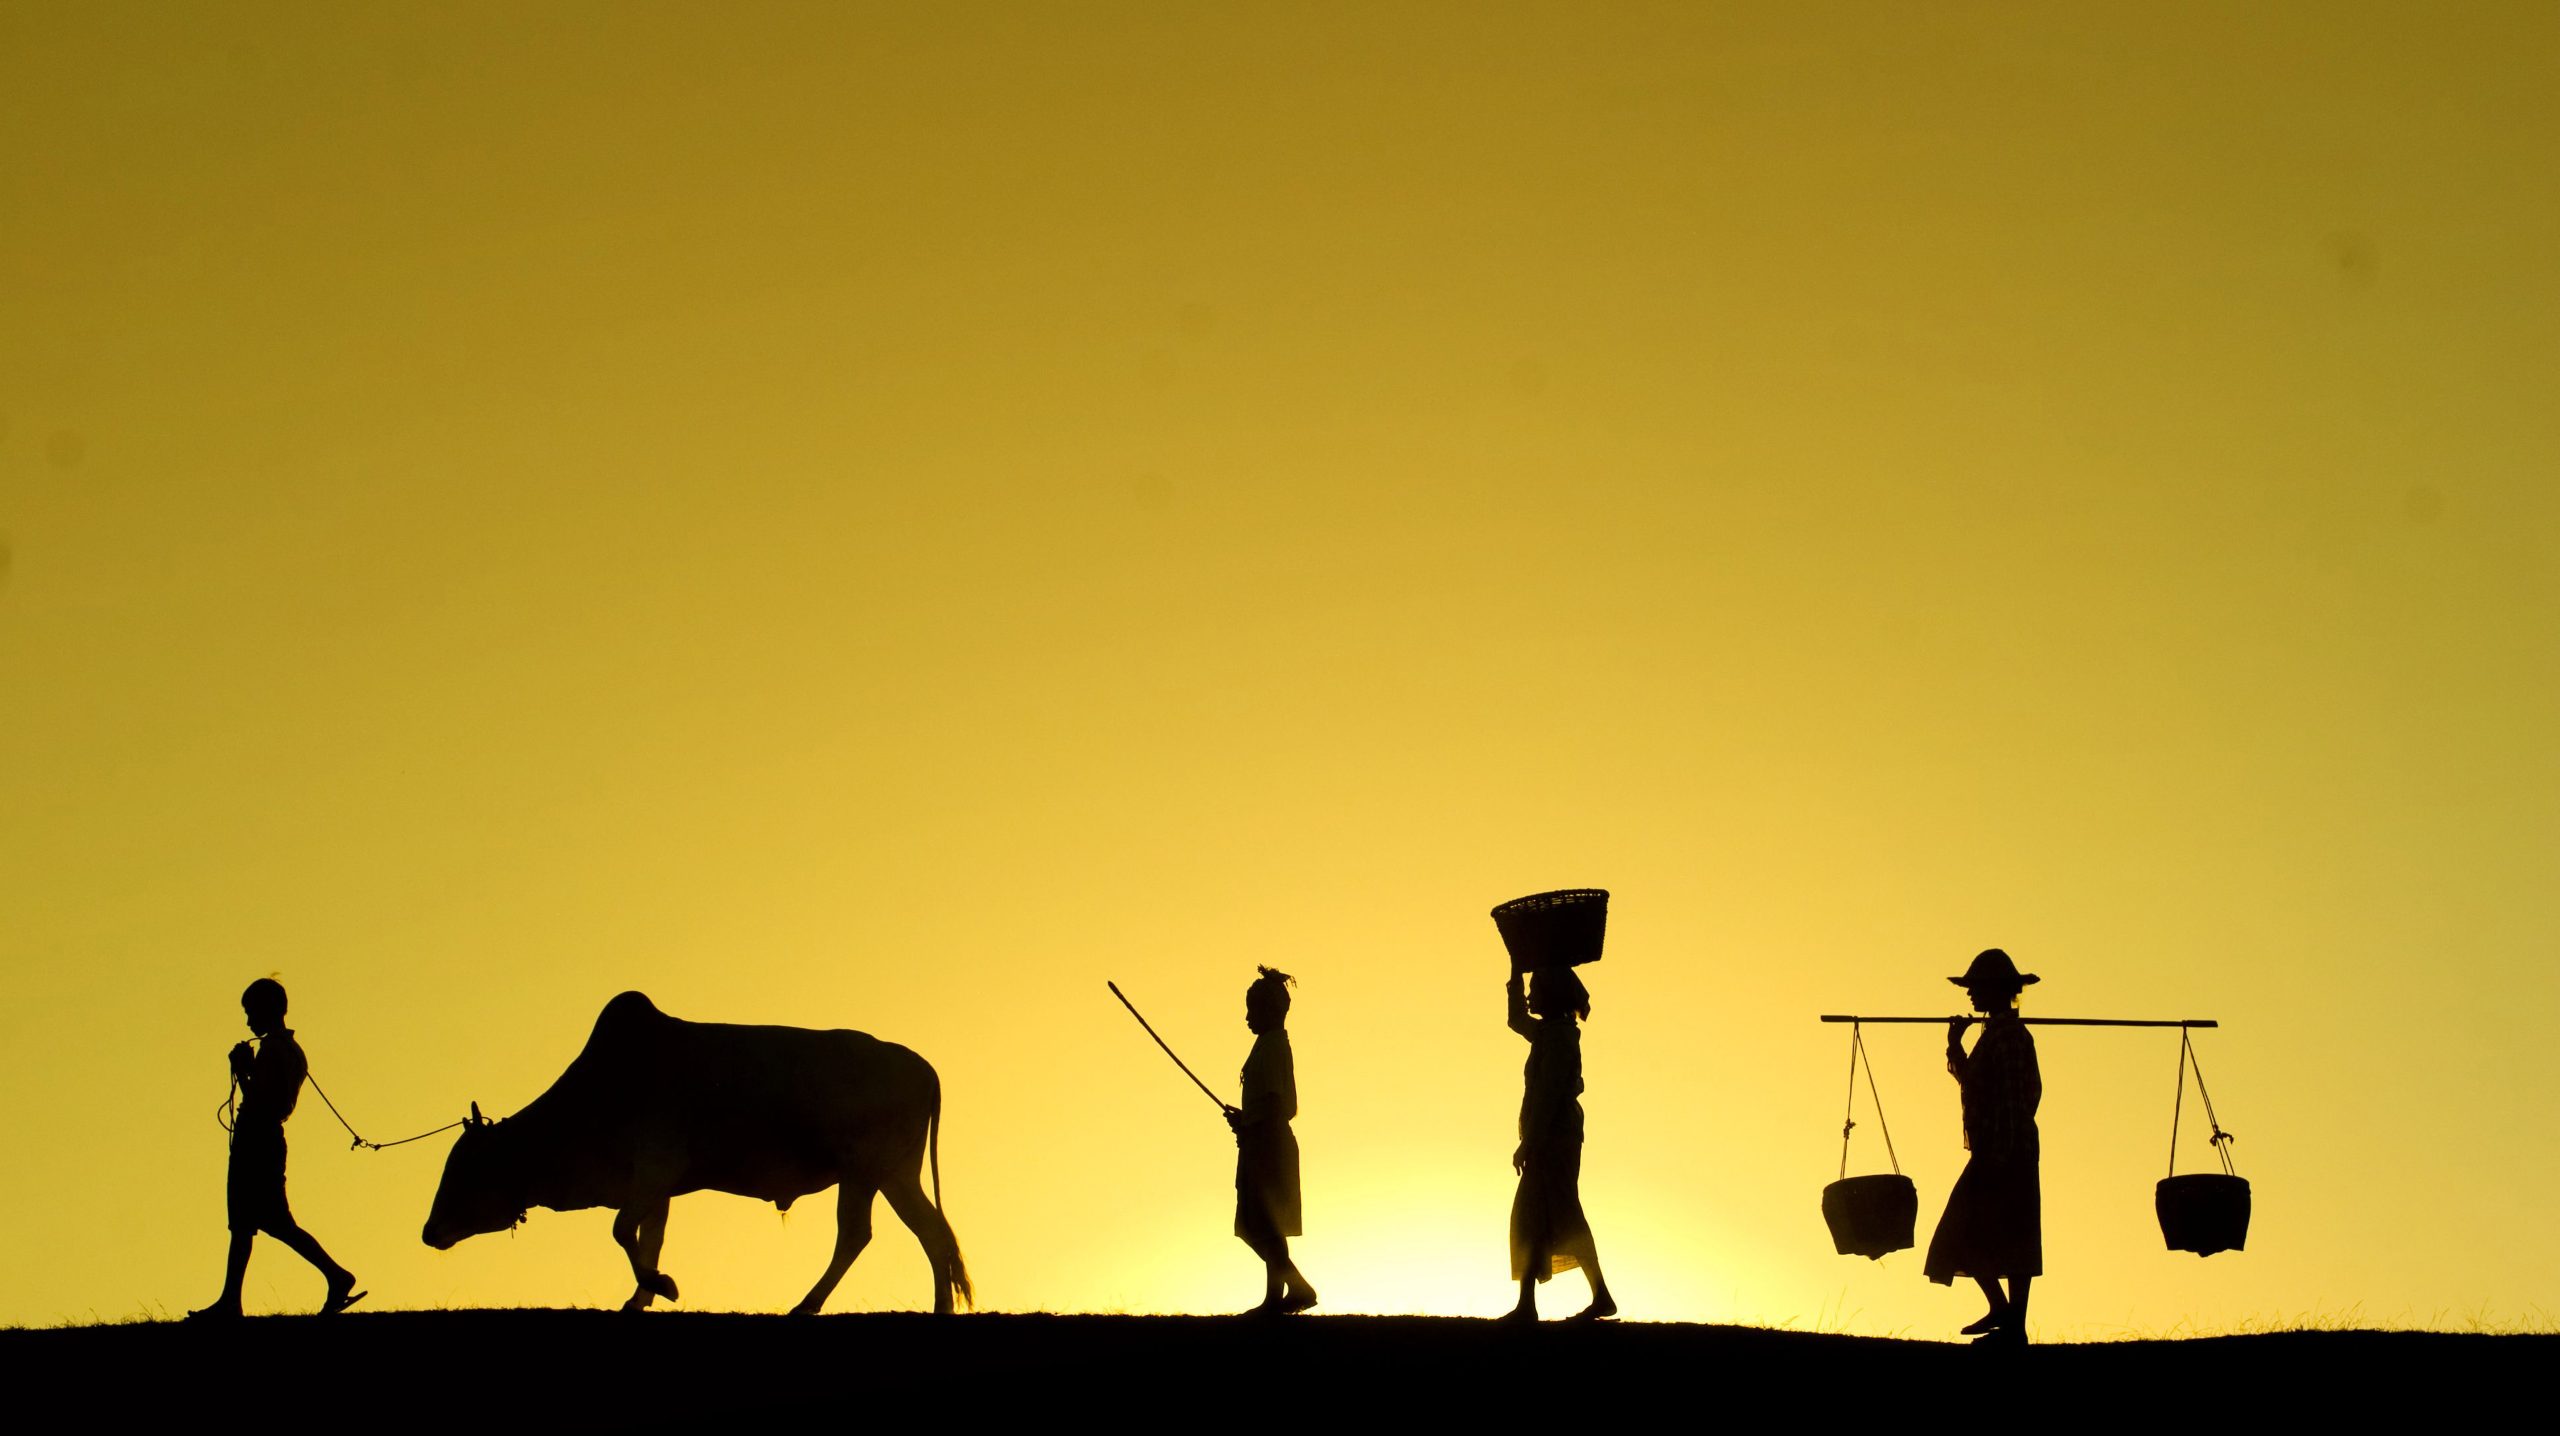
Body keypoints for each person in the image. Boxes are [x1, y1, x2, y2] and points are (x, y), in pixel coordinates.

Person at [190, 979, 363, 1319]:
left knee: (257, 1222)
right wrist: (250, 1070)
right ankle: (233, 1300)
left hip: (257, 1139)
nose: (248, 1021)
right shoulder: (290, 1050)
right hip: (265, 1139)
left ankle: (335, 1276)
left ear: (268, 1010)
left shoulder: (274, 1049)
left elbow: (262, 1100)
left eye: (251, 1012)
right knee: (254, 1222)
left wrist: (242, 1071)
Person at [1922, 948, 2042, 1346]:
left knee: (1971, 1230)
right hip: (2008, 1151)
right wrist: (1956, 1043)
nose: (1970, 995)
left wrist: (1999, 1156)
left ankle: (2010, 1322)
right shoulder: (1996, 1035)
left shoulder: (2008, 1038)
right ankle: (2010, 1322)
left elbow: (2012, 1100)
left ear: (1996, 990)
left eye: (1976, 988)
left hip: (2003, 1152)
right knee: (2008, 1235)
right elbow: (1975, 1083)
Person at [1506, 966, 1615, 1321]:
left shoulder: (1557, 1039)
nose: (1530, 996)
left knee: (1559, 1212)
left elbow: (1549, 1096)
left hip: (1555, 1136)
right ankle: (1529, 1304)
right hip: (1551, 1135)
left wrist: (1530, 1143)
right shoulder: (1548, 1033)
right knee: (1536, 1214)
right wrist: (1515, 972)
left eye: (1536, 988)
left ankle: (1598, 1297)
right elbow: (1516, 1020)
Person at [1228, 966, 1316, 1315]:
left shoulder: (1275, 1047)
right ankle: (1281, 1296)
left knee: (1263, 1223)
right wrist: (1245, 1120)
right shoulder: (1266, 1046)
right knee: (1260, 1223)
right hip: (1261, 1142)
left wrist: (1249, 1122)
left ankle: (1294, 1290)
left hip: (1269, 1145)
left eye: (1252, 1009)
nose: (1247, 1016)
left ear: (1269, 1011)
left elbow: (1283, 1104)